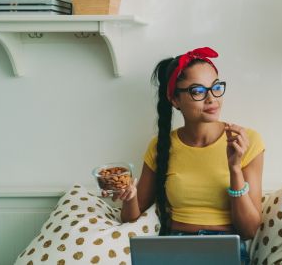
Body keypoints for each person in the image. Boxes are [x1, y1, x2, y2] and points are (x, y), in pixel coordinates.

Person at [103, 47, 264, 264]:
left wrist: (234, 169)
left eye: (216, 87)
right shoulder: (161, 146)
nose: (211, 98)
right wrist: (130, 196)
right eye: (197, 91)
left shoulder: (245, 141)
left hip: (224, 249)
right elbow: (131, 217)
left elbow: (250, 229)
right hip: (174, 248)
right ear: (175, 100)